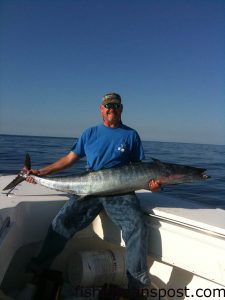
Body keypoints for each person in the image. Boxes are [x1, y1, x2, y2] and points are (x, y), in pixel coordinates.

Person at [26, 93, 161, 299]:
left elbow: (140, 168)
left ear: (121, 109)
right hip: (89, 188)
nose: (111, 109)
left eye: (115, 105)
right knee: (60, 223)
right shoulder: (89, 133)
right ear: (101, 108)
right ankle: (37, 271)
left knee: (137, 226)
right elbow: (69, 159)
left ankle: (136, 286)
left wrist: (152, 185)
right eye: (108, 105)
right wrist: (42, 172)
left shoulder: (131, 135)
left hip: (121, 192)